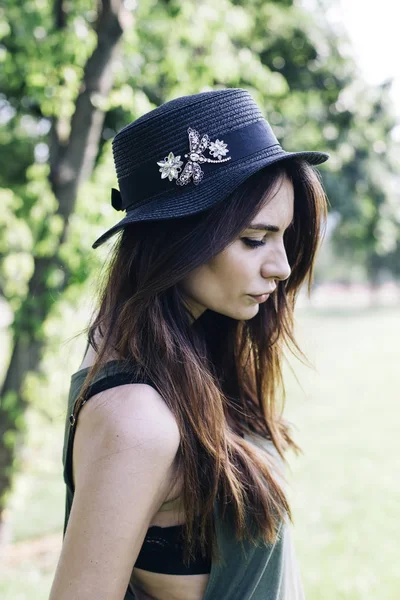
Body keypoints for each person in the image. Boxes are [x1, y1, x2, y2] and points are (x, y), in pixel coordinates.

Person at [50, 88, 329, 600]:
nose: (282, 267)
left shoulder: (187, 358)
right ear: (180, 237)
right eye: (253, 239)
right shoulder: (136, 418)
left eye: (284, 238)